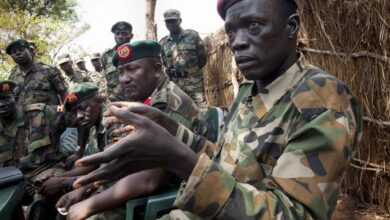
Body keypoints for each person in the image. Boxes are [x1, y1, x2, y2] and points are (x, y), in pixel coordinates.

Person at [74, 0, 363, 219]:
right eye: (231, 30)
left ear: (291, 27)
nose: (236, 42)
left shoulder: (323, 102)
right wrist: (169, 127)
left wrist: (178, 159)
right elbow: (221, 160)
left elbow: (290, 213)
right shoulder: (251, 90)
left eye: (253, 26)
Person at [56, 40, 208, 220]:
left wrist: (89, 204)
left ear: (157, 69)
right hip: (126, 185)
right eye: (121, 72)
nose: (124, 79)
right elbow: (116, 154)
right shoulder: (145, 100)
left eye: (132, 69)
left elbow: (148, 179)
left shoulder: (167, 104)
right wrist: (87, 187)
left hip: (159, 195)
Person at [0, 80, 68, 220]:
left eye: (5, 99)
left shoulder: (40, 112)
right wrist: (19, 186)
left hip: (46, 171)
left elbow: (74, 115)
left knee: (41, 200)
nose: (1, 104)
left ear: (16, 98)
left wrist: (80, 149)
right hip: (13, 181)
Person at [39, 83, 107, 203]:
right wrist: (60, 177)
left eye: (82, 108)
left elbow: (109, 169)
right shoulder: (94, 121)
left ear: (98, 100)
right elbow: (97, 163)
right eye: (75, 111)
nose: (78, 117)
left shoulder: (115, 121)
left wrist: (64, 181)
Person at [159, 9, 208, 110]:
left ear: (180, 20)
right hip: (175, 84)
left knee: (201, 109)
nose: (170, 24)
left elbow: (202, 58)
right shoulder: (163, 43)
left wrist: (192, 73)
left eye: (173, 21)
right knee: (180, 111)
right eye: (168, 22)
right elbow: (165, 63)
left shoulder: (192, 36)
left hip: (194, 82)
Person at [6, 39, 68, 106]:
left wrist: (65, 113)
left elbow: (64, 93)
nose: (18, 53)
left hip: (50, 115)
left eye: (21, 50)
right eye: (14, 52)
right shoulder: (12, 77)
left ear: (31, 51)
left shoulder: (48, 70)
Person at [101, 21, 133, 102]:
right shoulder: (106, 56)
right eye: (117, 33)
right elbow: (107, 81)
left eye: (124, 33)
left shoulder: (139, 51)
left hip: (136, 98)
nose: (120, 36)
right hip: (116, 101)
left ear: (131, 36)